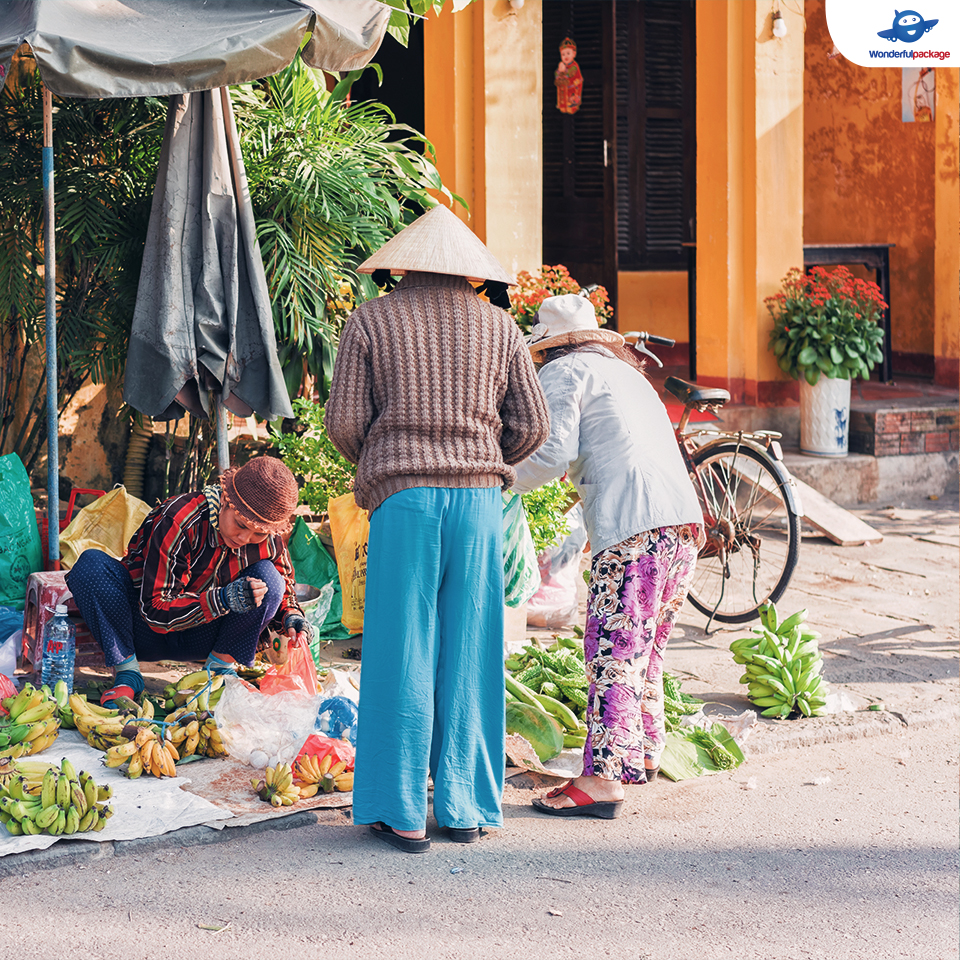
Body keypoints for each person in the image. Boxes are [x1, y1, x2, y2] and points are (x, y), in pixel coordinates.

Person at [324, 203, 550, 854]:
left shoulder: (370, 319)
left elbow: (344, 423)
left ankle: (400, 812)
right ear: (468, 272)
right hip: (479, 503)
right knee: (473, 652)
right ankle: (465, 807)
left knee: (400, 651)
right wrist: (481, 457)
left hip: (406, 501)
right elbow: (533, 426)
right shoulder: (500, 325)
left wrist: (390, 456)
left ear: (401, 263)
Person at [511, 294, 704, 818]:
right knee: (647, 648)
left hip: (634, 527)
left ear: (549, 347)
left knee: (613, 652)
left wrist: (501, 479)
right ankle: (639, 754)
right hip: (682, 525)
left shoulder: (565, 373)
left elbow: (550, 456)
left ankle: (600, 783)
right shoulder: (626, 374)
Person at [67, 456, 312, 707]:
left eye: (258, 533)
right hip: (143, 630)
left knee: (269, 580)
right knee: (91, 567)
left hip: (207, 638)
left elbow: (284, 588)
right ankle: (127, 674)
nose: (245, 537)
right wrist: (223, 598)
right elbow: (155, 611)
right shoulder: (180, 519)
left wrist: (291, 617)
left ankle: (218, 671)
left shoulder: (269, 539)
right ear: (226, 500)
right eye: (240, 524)